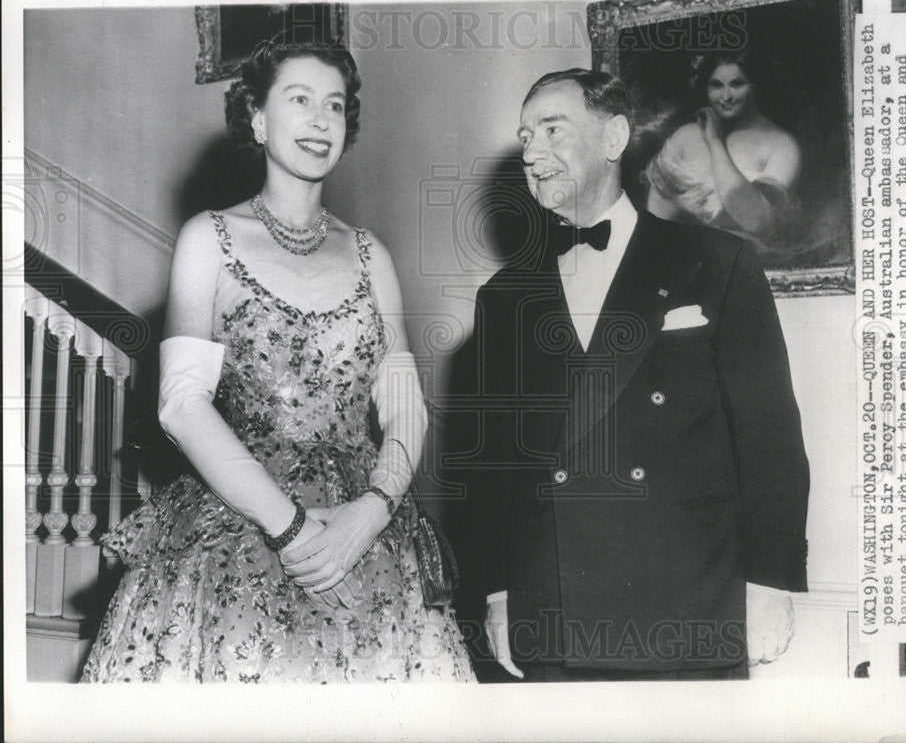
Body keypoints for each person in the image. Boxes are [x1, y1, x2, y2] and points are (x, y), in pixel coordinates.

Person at [81, 37, 474, 683]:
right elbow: (182, 405)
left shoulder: (372, 254)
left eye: (336, 105)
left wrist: (370, 512)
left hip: (365, 530)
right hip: (242, 524)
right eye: (300, 100)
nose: (321, 119)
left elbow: (406, 408)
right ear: (258, 120)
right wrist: (289, 528)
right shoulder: (207, 238)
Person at [468, 68, 809, 681]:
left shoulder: (719, 261)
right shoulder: (503, 297)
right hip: (554, 614)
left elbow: (770, 436)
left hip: (687, 605)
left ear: (615, 137)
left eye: (552, 129)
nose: (533, 153)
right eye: (525, 138)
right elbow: (495, 466)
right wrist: (498, 594)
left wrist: (771, 582)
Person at [643, 51, 803, 257]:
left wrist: (715, 142)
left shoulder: (781, 145)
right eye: (716, 85)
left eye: (737, 84)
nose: (726, 97)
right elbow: (655, 224)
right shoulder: (687, 137)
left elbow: (756, 221)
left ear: (755, 86)